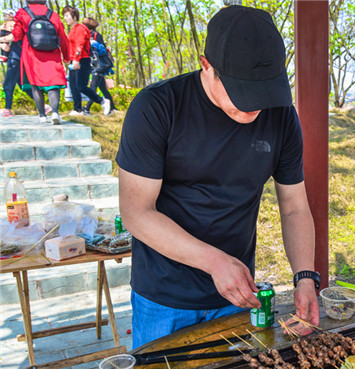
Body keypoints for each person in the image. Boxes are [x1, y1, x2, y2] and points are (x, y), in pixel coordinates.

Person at [117, 5, 320, 348]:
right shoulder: (157, 107)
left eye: (263, 92)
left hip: (236, 294)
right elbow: (137, 213)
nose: (254, 105)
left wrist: (304, 278)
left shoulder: (282, 116)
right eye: (242, 91)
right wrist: (213, 261)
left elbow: (294, 207)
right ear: (206, 65)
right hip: (164, 296)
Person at [7, 1, 69, 124]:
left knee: (35, 83)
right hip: (52, 53)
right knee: (53, 83)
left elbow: (17, 35)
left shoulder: (22, 13)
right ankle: (55, 112)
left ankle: (42, 116)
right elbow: (62, 36)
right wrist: (67, 56)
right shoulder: (53, 14)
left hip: (32, 53)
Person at [62, 5, 107, 116]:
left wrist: (76, 60)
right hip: (74, 60)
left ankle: (102, 101)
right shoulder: (73, 29)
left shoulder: (80, 28)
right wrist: (68, 59)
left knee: (81, 86)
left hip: (82, 60)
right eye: (64, 16)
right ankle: (78, 109)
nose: (65, 18)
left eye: (67, 15)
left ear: (74, 16)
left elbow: (80, 45)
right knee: (73, 86)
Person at [81, 17, 115, 115]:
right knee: (103, 89)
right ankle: (113, 108)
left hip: (98, 66)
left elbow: (101, 50)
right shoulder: (88, 35)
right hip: (95, 66)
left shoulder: (96, 35)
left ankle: (87, 108)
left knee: (93, 87)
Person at [0, 9, 22, 117]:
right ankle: (44, 106)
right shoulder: (5, 25)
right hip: (14, 57)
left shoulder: (17, 25)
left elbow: (12, 37)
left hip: (15, 58)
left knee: (8, 84)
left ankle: (7, 109)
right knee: (22, 85)